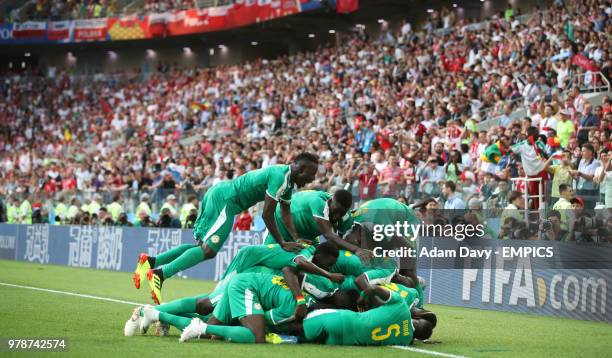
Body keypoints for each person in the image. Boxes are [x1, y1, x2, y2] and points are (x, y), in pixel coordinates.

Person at [134, 153, 319, 304]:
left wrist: (295, 238)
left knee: (200, 248)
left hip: (222, 195)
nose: (310, 181)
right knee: (208, 250)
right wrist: (283, 242)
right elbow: (267, 214)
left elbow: (285, 212)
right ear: (300, 170)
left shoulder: (286, 183)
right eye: (310, 176)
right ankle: (160, 274)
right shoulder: (280, 177)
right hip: (226, 201)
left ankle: (150, 261)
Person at [262, 189, 362, 257]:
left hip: (307, 236)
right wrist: (357, 250)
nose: (337, 216)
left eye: (342, 213)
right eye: (335, 211)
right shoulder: (318, 202)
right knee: (266, 257)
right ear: (330, 201)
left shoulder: (346, 216)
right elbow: (329, 235)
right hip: (279, 225)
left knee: (317, 261)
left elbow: (341, 241)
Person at [571, 144, 601, 209]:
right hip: (580, 189)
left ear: (590, 152)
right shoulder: (581, 161)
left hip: (590, 191)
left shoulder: (596, 163)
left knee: (589, 210)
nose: (582, 153)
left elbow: (592, 178)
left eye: (584, 151)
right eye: (582, 151)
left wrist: (580, 173)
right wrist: (572, 175)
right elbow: (578, 178)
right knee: (580, 209)